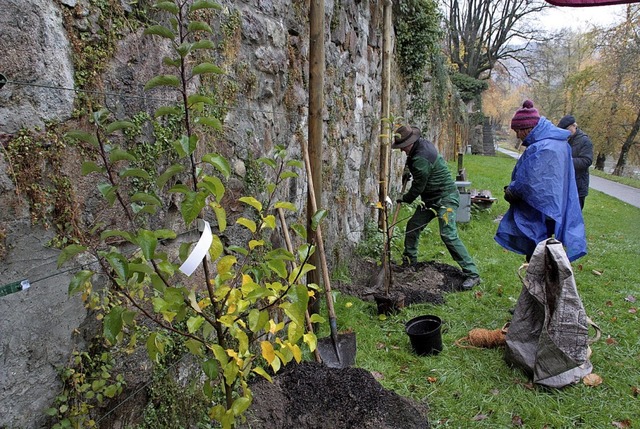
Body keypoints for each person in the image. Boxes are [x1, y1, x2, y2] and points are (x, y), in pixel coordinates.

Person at [495, 100, 587, 262]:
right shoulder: (557, 143)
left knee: (538, 254)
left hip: (542, 210)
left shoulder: (543, 147)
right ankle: (543, 281)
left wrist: (512, 191)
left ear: (527, 128)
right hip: (555, 207)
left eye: (517, 131)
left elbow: (530, 182)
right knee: (547, 251)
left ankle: (539, 284)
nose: (517, 136)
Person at [392, 125, 481, 290]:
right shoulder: (419, 146)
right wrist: (406, 171)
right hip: (430, 200)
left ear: (410, 142)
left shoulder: (421, 158)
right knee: (413, 227)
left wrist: (405, 199)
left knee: (448, 234)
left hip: (445, 198)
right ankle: (410, 263)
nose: (402, 151)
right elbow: (410, 162)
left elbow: (418, 187)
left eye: (402, 147)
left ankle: (472, 273)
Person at [557, 114, 594, 210]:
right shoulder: (564, 139)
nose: (566, 132)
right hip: (564, 185)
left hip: (578, 186)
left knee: (573, 218)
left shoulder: (585, 141)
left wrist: (567, 161)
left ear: (574, 126)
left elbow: (586, 161)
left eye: (567, 129)